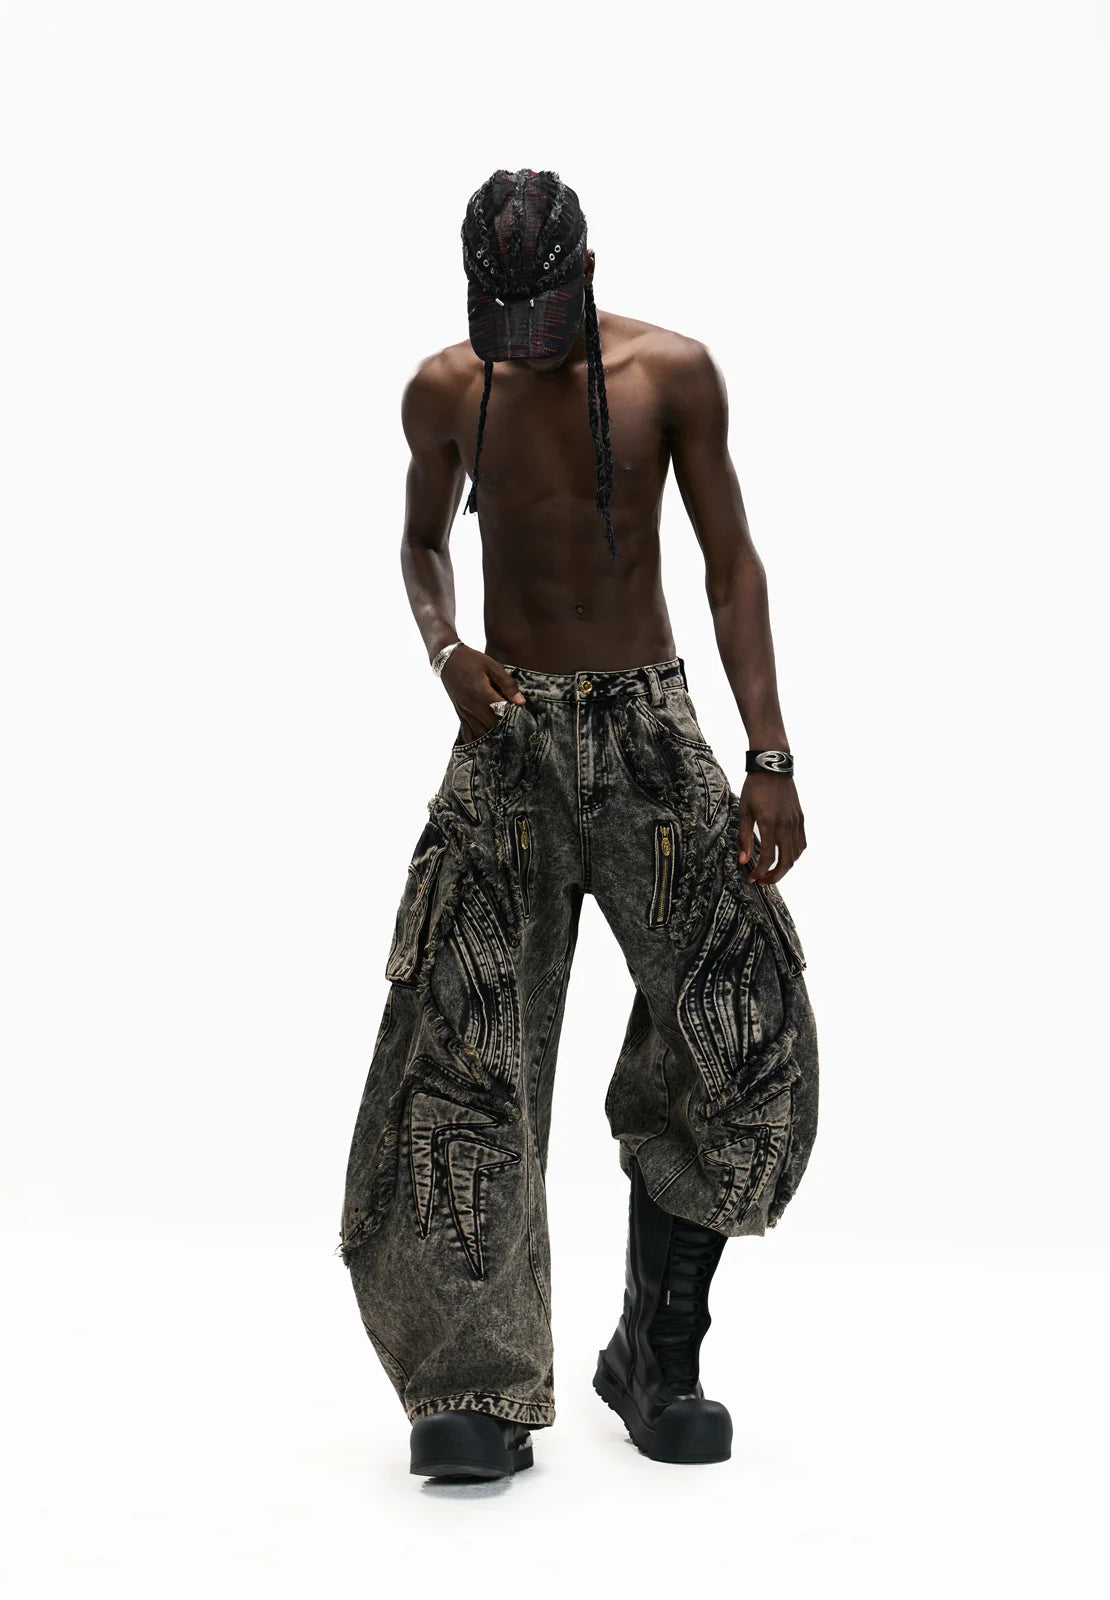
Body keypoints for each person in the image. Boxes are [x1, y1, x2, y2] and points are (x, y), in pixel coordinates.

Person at [338, 167, 819, 1480]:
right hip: (510, 736)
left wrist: (768, 754)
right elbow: (420, 545)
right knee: (462, 1048)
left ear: (584, 275)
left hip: (648, 734)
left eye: (541, 317)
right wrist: (446, 652)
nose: (525, 344)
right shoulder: (446, 389)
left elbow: (730, 564)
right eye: (502, 320)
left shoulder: (671, 374)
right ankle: (475, 1385)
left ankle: (657, 1352)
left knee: (741, 1021)